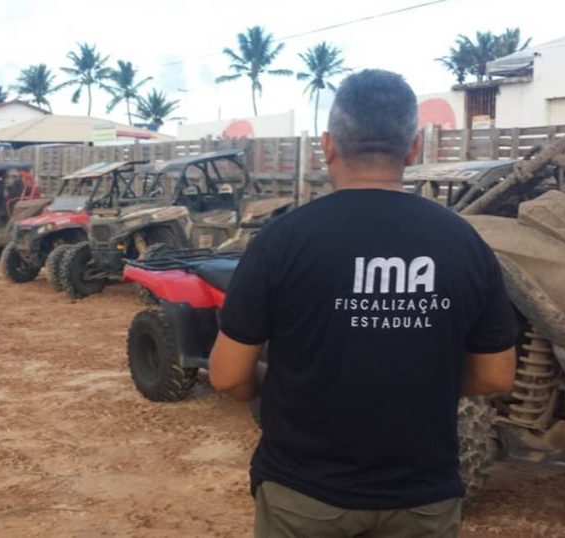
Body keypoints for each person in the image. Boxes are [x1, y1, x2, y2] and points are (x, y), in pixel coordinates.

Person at [209, 69, 517, 538]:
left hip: (304, 498)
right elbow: (495, 374)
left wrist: (274, 394)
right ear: (413, 148)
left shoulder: (281, 241)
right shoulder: (464, 242)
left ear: (328, 145)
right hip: (423, 500)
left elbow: (228, 374)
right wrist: (417, 390)